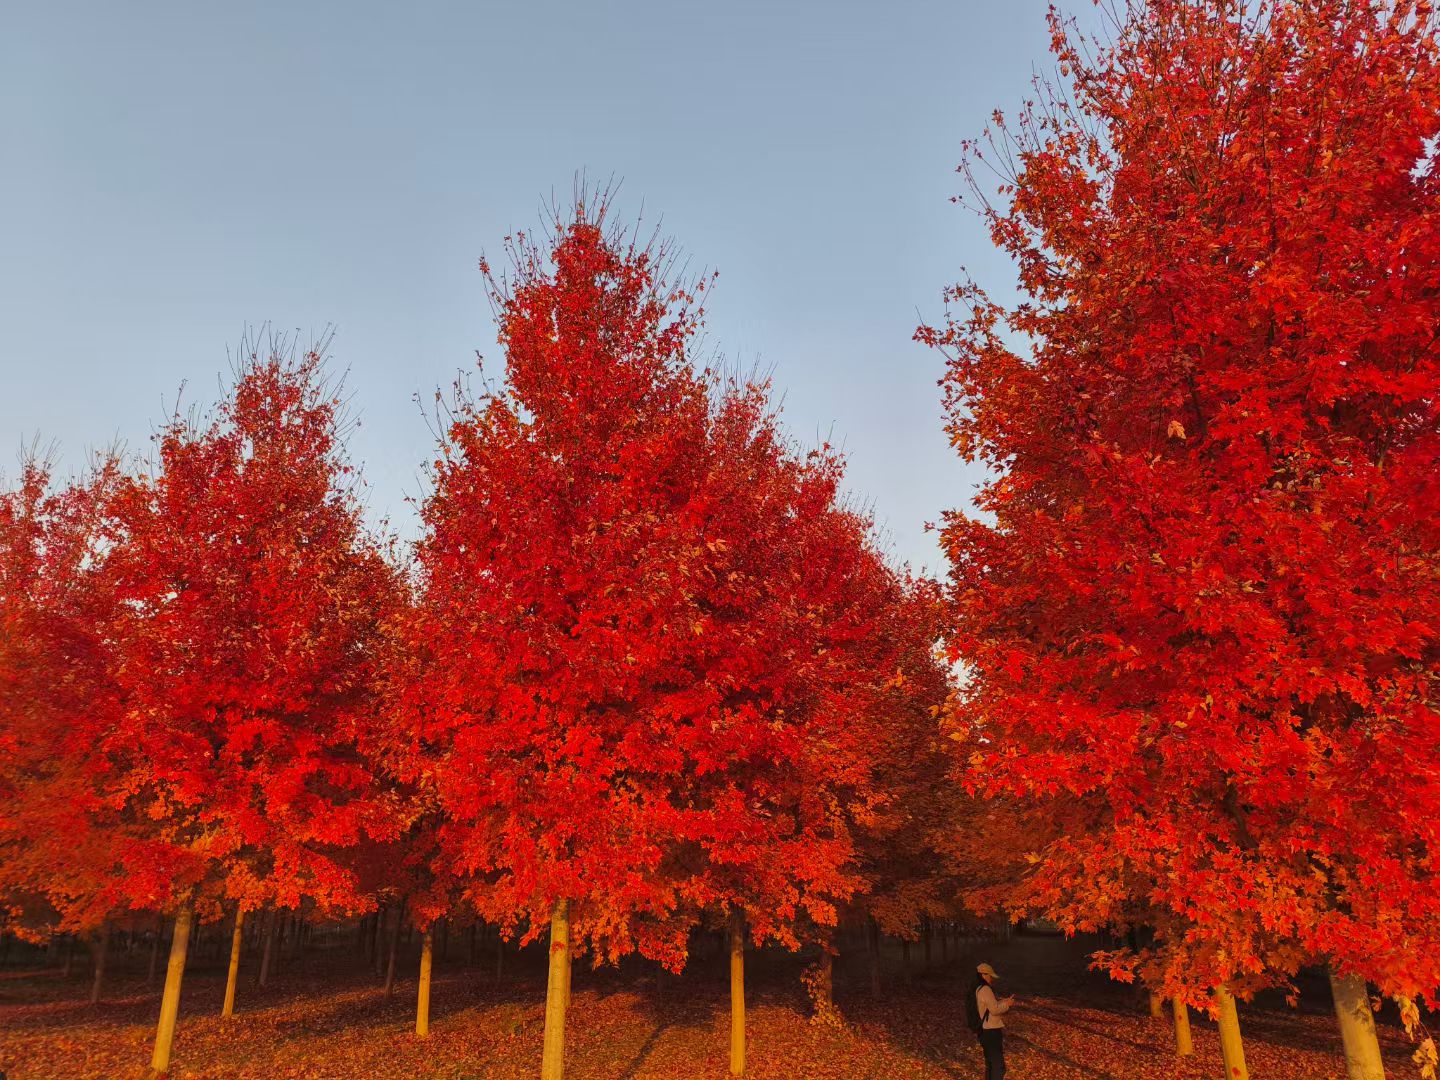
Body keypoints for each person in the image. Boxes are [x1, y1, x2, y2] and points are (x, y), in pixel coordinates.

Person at [973, 962, 1015, 1080]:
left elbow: (990, 1006)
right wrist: (1008, 1005)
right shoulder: (986, 989)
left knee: (990, 1065)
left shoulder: (978, 989)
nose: (992, 979)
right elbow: (995, 1010)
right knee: (999, 1066)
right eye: (990, 976)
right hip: (991, 1031)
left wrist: (1004, 1001)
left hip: (984, 1031)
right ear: (983, 975)